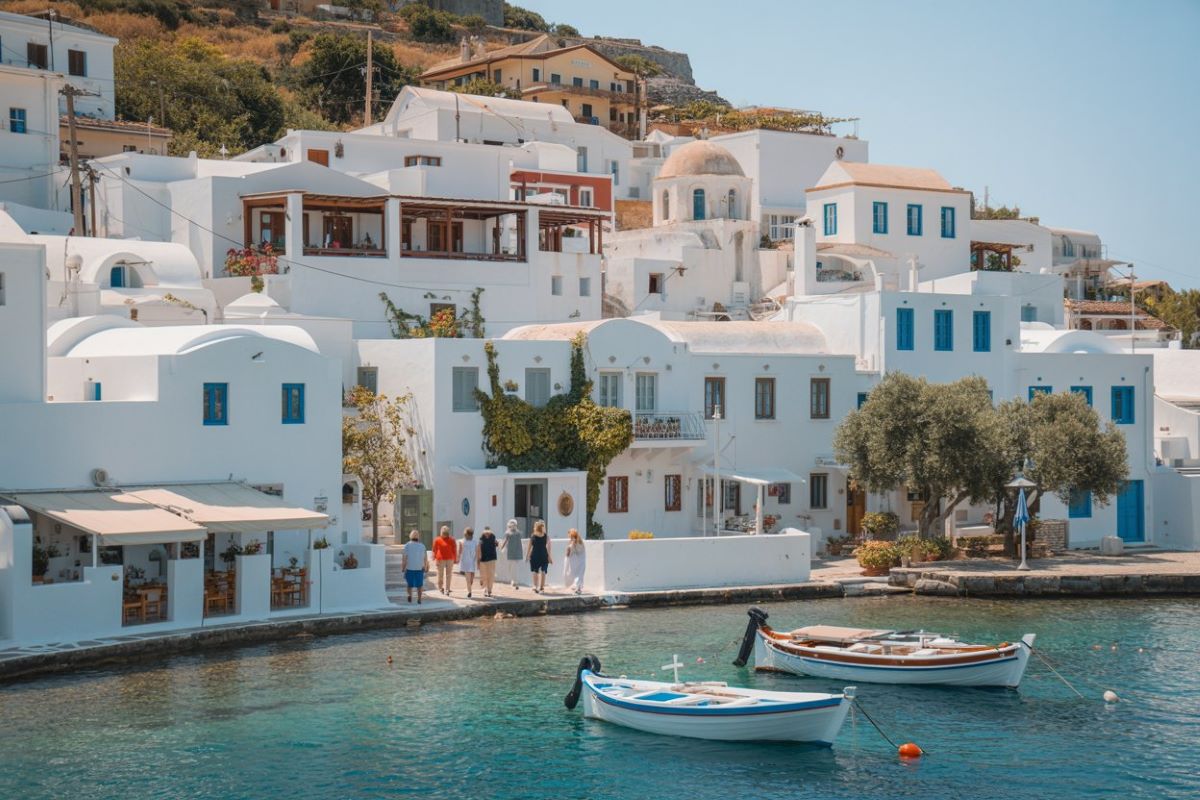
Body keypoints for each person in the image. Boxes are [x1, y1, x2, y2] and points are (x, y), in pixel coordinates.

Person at [400, 530, 428, 604]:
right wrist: (425, 567)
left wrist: (403, 567)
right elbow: (425, 558)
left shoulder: (407, 545)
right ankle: (419, 599)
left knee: (409, 584)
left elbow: (404, 558)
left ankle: (410, 595)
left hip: (410, 568)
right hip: (419, 568)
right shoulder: (422, 546)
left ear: (410, 536)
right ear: (418, 537)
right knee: (419, 585)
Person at [526, 519, 552, 594]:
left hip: (535, 555)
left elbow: (529, 547)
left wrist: (527, 556)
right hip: (543, 555)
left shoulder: (533, 536)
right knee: (543, 571)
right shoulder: (546, 536)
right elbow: (549, 548)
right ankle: (541, 587)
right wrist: (549, 557)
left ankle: (535, 586)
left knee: (535, 571)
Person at [499, 519, 524, 589]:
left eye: (514, 525)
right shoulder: (508, 533)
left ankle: (515, 581)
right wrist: (502, 547)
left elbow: (519, 542)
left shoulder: (518, 533)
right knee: (510, 567)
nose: (513, 526)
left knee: (514, 567)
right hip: (510, 552)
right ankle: (513, 580)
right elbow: (505, 541)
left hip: (516, 552)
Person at [433, 526, 457, 595]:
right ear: (441, 532)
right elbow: (434, 549)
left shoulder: (452, 540)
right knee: (440, 574)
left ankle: (447, 589)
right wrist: (435, 558)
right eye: (443, 533)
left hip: (450, 559)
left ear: (448, 533)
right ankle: (441, 588)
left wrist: (455, 558)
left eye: (446, 533)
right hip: (440, 559)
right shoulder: (437, 540)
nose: (444, 534)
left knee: (449, 575)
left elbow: (454, 550)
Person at [563, 527, 586, 595]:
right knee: (579, 575)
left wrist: (570, 547)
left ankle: (578, 589)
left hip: (575, 561)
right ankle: (578, 588)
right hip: (581, 561)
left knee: (575, 575)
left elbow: (569, 553)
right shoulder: (581, 542)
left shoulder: (573, 542)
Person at [477, 525, 498, 598]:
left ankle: (489, 590)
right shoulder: (481, 537)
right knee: (484, 575)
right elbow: (479, 547)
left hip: (491, 558)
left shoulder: (493, 536)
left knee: (491, 575)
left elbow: (496, 544)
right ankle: (486, 589)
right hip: (483, 559)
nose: (487, 533)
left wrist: (496, 543)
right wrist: (479, 558)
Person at [457, 527, 479, 599]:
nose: (465, 535)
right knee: (468, 577)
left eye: (465, 534)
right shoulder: (462, 541)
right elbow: (460, 551)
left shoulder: (474, 541)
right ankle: (469, 591)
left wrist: (477, 559)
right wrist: (458, 558)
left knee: (471, 577)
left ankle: (469, 586)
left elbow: (477, 551)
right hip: (466, 561)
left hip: (471, 561)